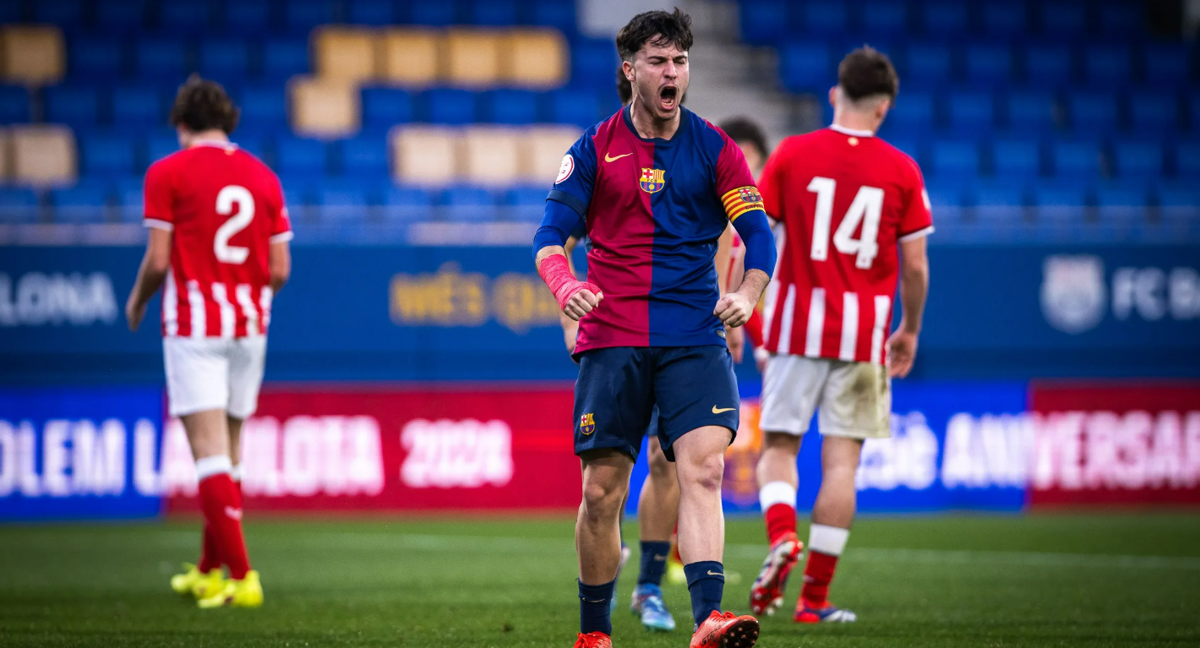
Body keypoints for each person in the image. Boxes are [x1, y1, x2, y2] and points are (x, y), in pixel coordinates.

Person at [533, 9, 776, 648]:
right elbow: (549, 239)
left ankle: (708, 620)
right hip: (613, 335)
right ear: (630, 70)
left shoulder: (716, 148)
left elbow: (757, 236)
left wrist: (747, 292)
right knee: (602, 490)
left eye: (681, 62)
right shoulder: (591, 149)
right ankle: (594, 633)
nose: (673, 73)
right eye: (660, 62)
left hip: (693, 334)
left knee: (703, 469)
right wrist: (567, 288)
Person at [747, 46, 932, 624]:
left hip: (795, 331)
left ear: (835, 95)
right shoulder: (903, 170)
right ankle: (815, 600)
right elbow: (917, 267)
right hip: (863, 339)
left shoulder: (791, 155)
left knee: (778, 447)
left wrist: (740, 308)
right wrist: (910, 329)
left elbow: (750, 238)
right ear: (883, 109)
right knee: (841, 467)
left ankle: (782, 535)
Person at [125, 76, 292, 609]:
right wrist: (243, 293)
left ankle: (242, 577)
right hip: (250, 325)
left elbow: (157, 259)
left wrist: (136, 302)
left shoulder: (166, 171)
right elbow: (281, 269)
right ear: (229, 122)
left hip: (196, 326)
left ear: (181, 125)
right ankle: (209, 570)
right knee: (231, 451)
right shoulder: (264, 176)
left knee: (207, 453)